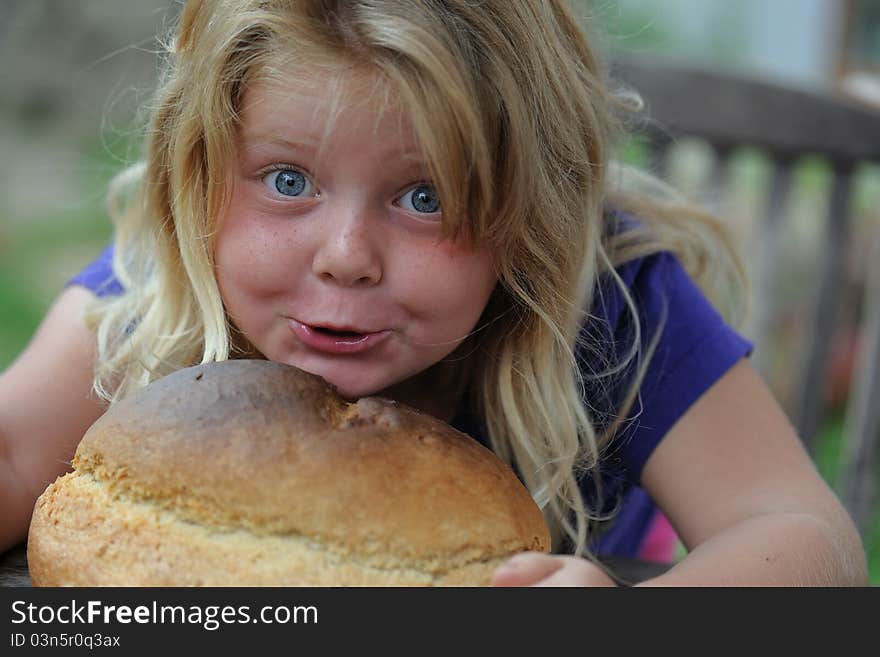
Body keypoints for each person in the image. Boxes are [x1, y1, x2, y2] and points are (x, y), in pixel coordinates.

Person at [0, 0, 867, 586]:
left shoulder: (610, 305)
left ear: (532, 212)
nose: (345, 258)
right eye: (288, 179)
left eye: (428, 197)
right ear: (200, 176)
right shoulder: (166, 288)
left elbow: (811, 537)